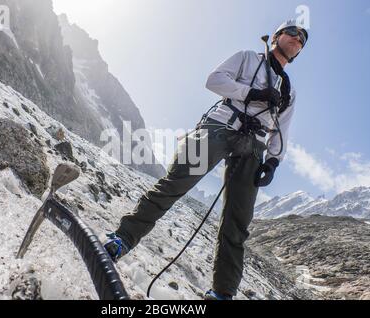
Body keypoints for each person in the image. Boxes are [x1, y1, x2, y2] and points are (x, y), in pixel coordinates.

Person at [104, 19, 309, 300]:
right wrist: (253, 93)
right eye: (293, 33)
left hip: (254, 147)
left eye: (303, 40)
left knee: (237, 223)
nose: (298, 39)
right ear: (277, 36)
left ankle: (223, 293)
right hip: (221, 126)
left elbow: (281, 130)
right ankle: (122, 239)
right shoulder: (248, 58)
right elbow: (214, 80)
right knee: (175, 184)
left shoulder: (289, 91)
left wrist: (272, 162)